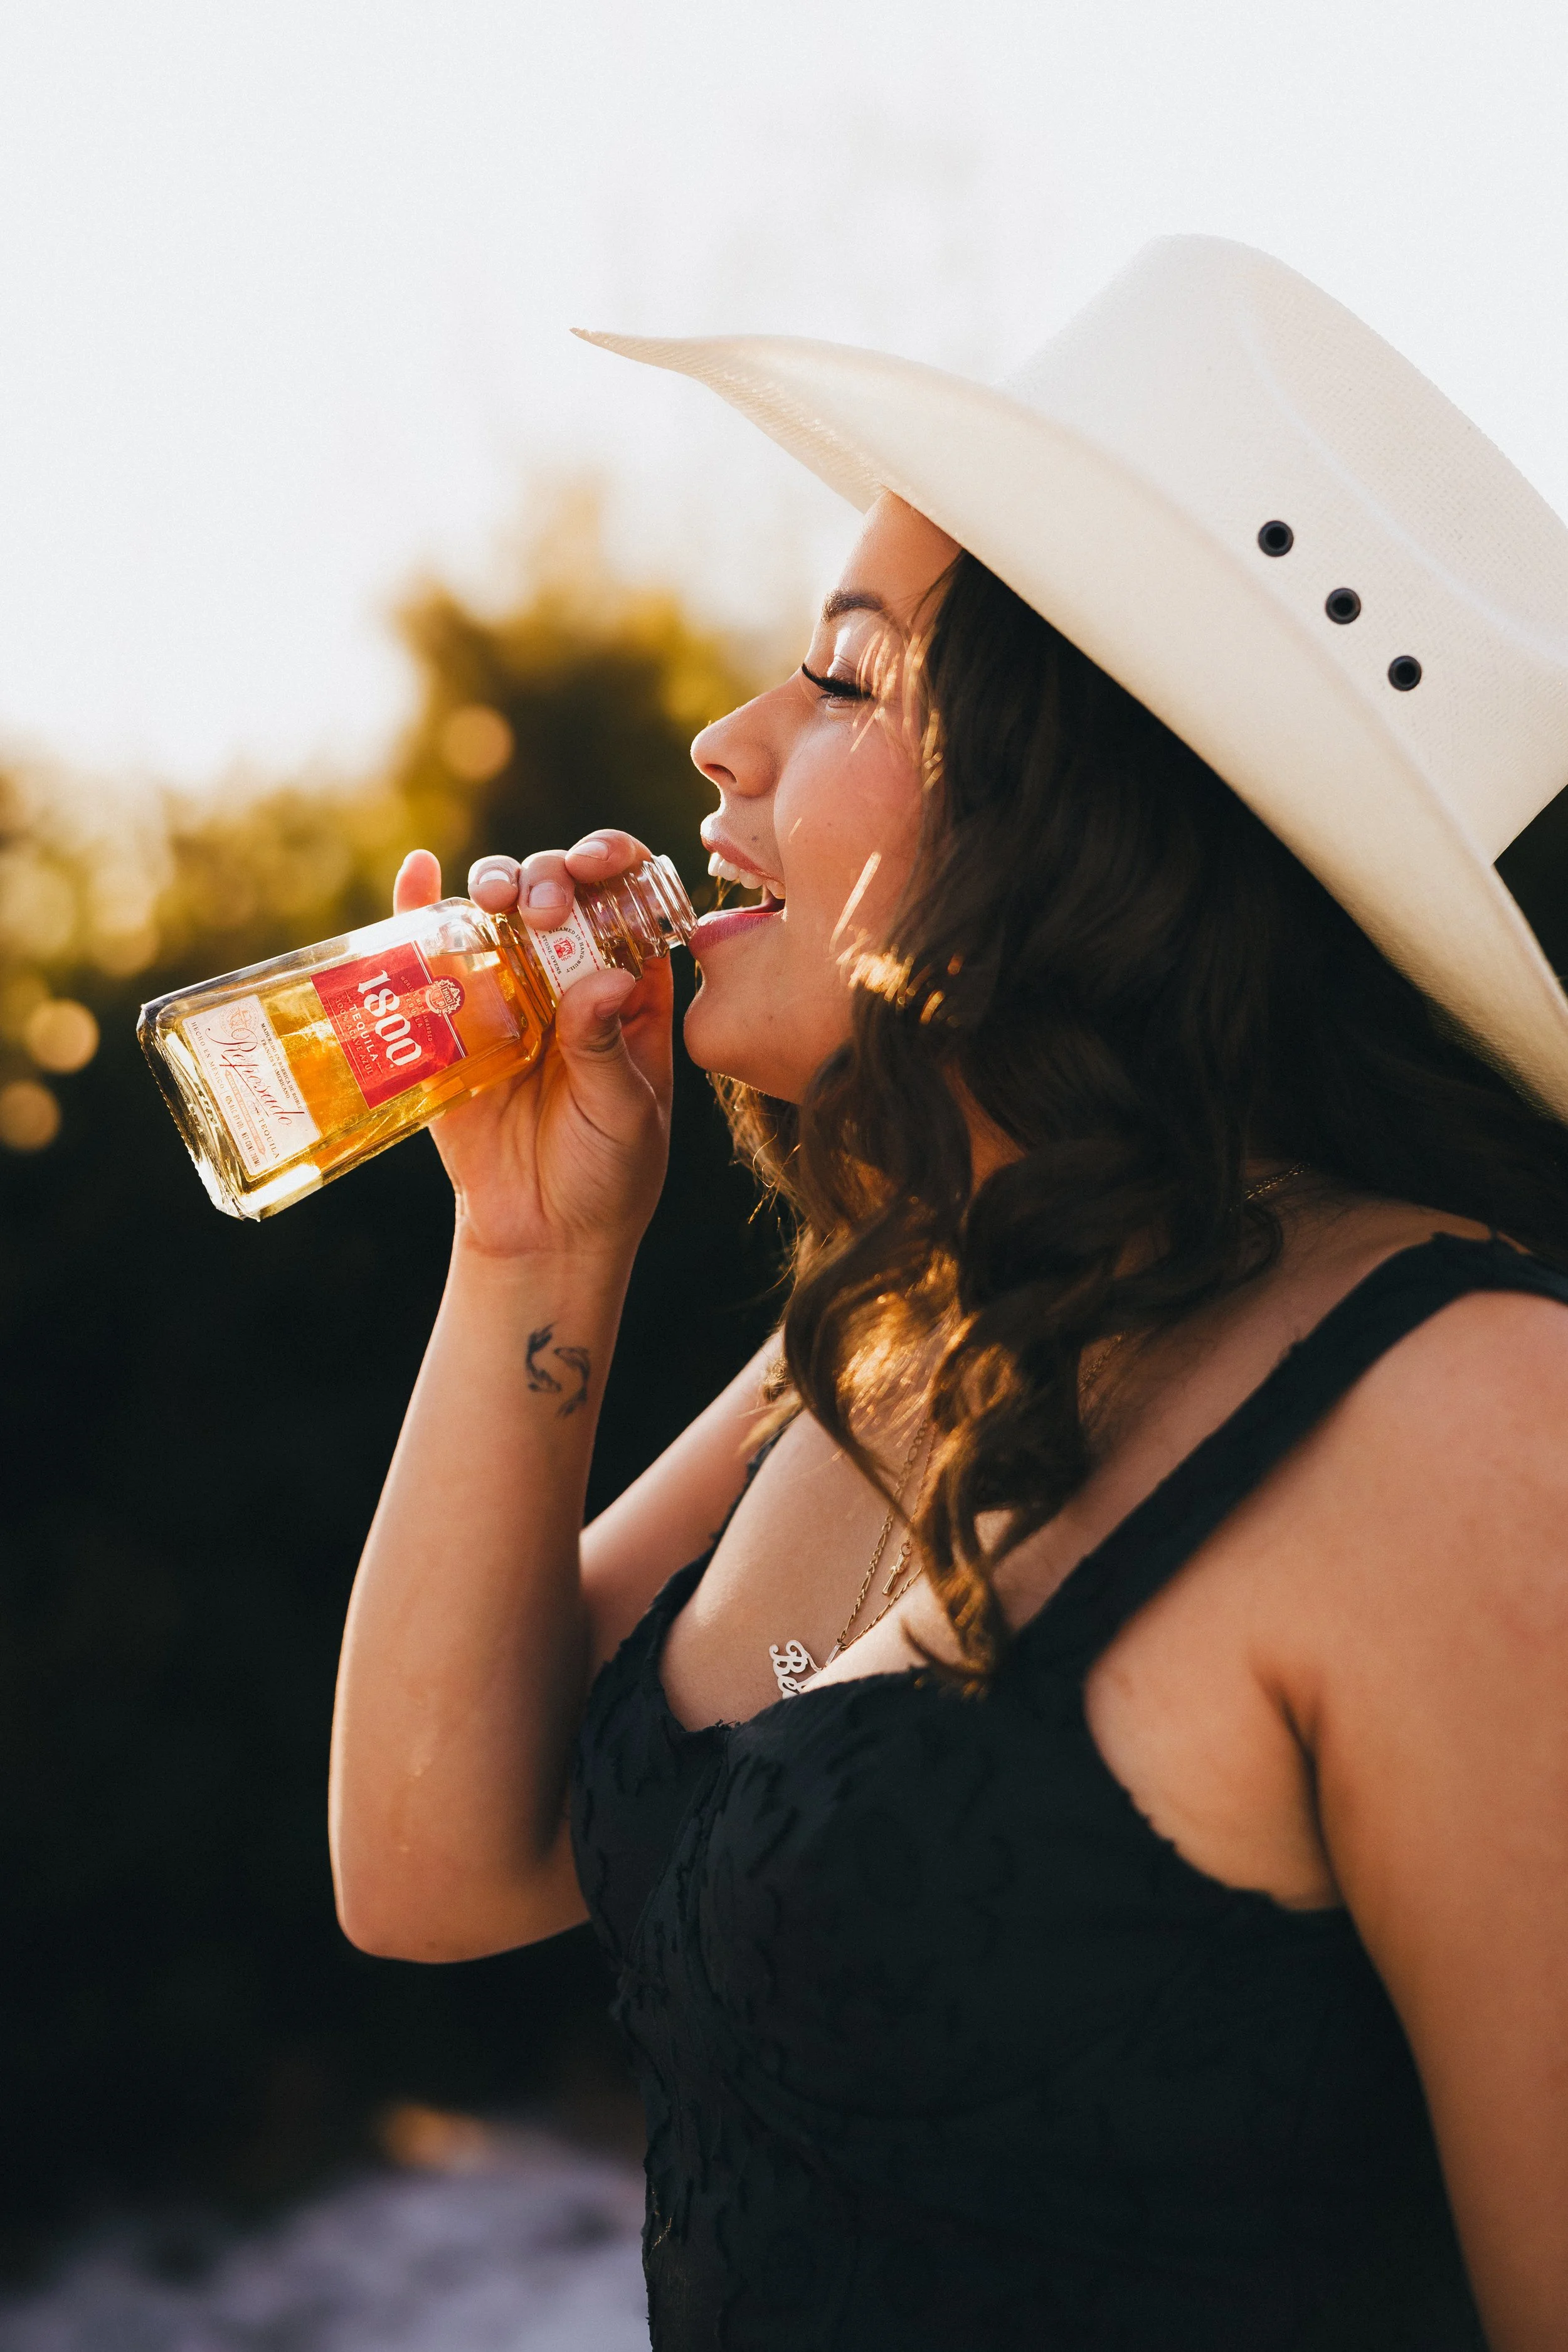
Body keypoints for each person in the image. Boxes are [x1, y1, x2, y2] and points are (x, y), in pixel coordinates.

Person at [328, 240, 1568, 2348]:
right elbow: (437, 1865)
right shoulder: (895, 1321)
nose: (723, 745)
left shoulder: (1463, 1418)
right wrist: (533, 1247)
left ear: (1084, 801)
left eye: (837, 678)